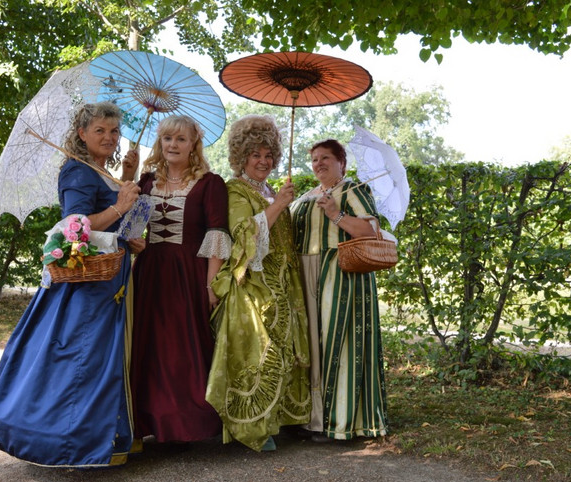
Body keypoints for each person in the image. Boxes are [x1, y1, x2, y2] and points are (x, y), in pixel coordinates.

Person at [0, 102, 143, 467]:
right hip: (89, 286)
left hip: (111, 280)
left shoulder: (101, 171)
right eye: (100, 130)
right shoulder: (76, 171)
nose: (109, 136)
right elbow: (76, 228)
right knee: (82, 357)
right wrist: (119, 208)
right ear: (82, 134)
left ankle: (110, 438)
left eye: (114, 131)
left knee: (105, 357)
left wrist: (129, 229)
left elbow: (111, 223)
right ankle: (71, 444)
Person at [206, 115, 311, 452]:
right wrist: (280, 204)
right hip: (253, 283)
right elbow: (241, 234)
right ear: (241, 157)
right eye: (256, 155)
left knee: (283, 349)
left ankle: (278, 419)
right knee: (258, 351)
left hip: (283, 281)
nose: (264, 162)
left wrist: (280, 201)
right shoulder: (234, 189)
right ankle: (253, 426)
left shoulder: (270, 190)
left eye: (268, 155)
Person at [130, 115, 230, 445]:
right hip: (150, 274)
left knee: (182, 348)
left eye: (181, 140)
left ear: (193, 145)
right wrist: (126, 176)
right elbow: (131, 229)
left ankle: (189, 425)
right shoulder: (146, 182)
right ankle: (151, 420)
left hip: (188, 275)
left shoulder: (209, 183)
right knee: (150, 347)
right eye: (168, 138)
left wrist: (210, 284)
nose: (173, 145)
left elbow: (217, 234)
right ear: (160, 142)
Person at [290, 138, 388, 442]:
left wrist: (336, 214)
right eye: (315, 159)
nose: (319, 163)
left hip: (340, 273)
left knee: (339, 342)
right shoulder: (305, 196)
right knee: (311, 344)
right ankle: (310, 417)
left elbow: (371, 231)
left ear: (341, 163)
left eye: (326, 159)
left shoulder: (353, 190)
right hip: (305, 274)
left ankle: (341, 421)